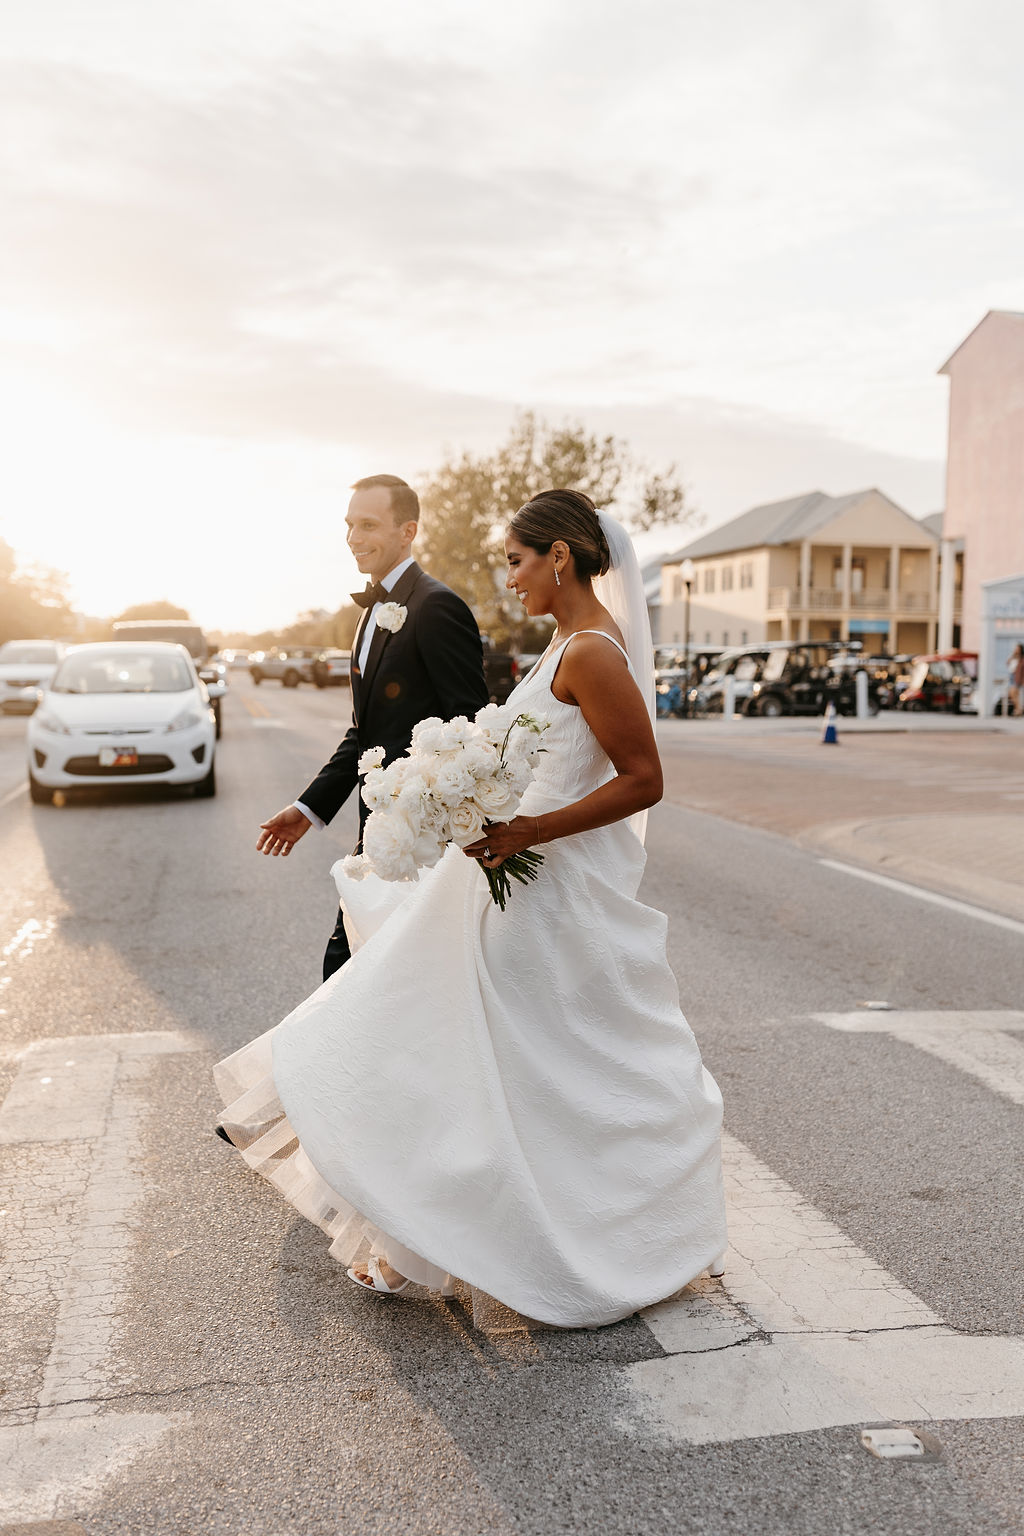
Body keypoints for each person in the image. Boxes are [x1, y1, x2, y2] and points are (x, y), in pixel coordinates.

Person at [214, 489, 727, 1328]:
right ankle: (430, 1234)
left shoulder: (594, 650)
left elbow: (645, 779)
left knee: (491, 1058)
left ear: (560, 556)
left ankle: (470, 1241)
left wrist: (530, 826)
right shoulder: (563, 642)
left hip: (544, 885)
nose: (509, 578)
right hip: (507, 871)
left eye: (518, 561)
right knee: (472, 1052)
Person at [255, 474, 490, 980]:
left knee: (351, 969)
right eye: (349, 525)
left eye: (368, 525)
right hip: (379, 828)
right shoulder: (369, 614)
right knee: (377, 974)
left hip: (422, 838)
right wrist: (308, 808)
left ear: (408, 530)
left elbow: (470, 727)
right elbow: (365, 732)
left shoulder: (436, 607)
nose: (353, 538)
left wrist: (437, 825)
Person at [1009, 643, 1024, 718]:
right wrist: (1013, 655)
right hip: (1011, 676)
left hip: (1017, 677)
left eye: (1017, 648)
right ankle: (1018, 709)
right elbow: (1007, 663)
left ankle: (1018, 710)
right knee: (1013, 694)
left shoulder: (1022, 659)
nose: (1016, 650)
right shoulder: (1014, 657)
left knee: (1014, 693)